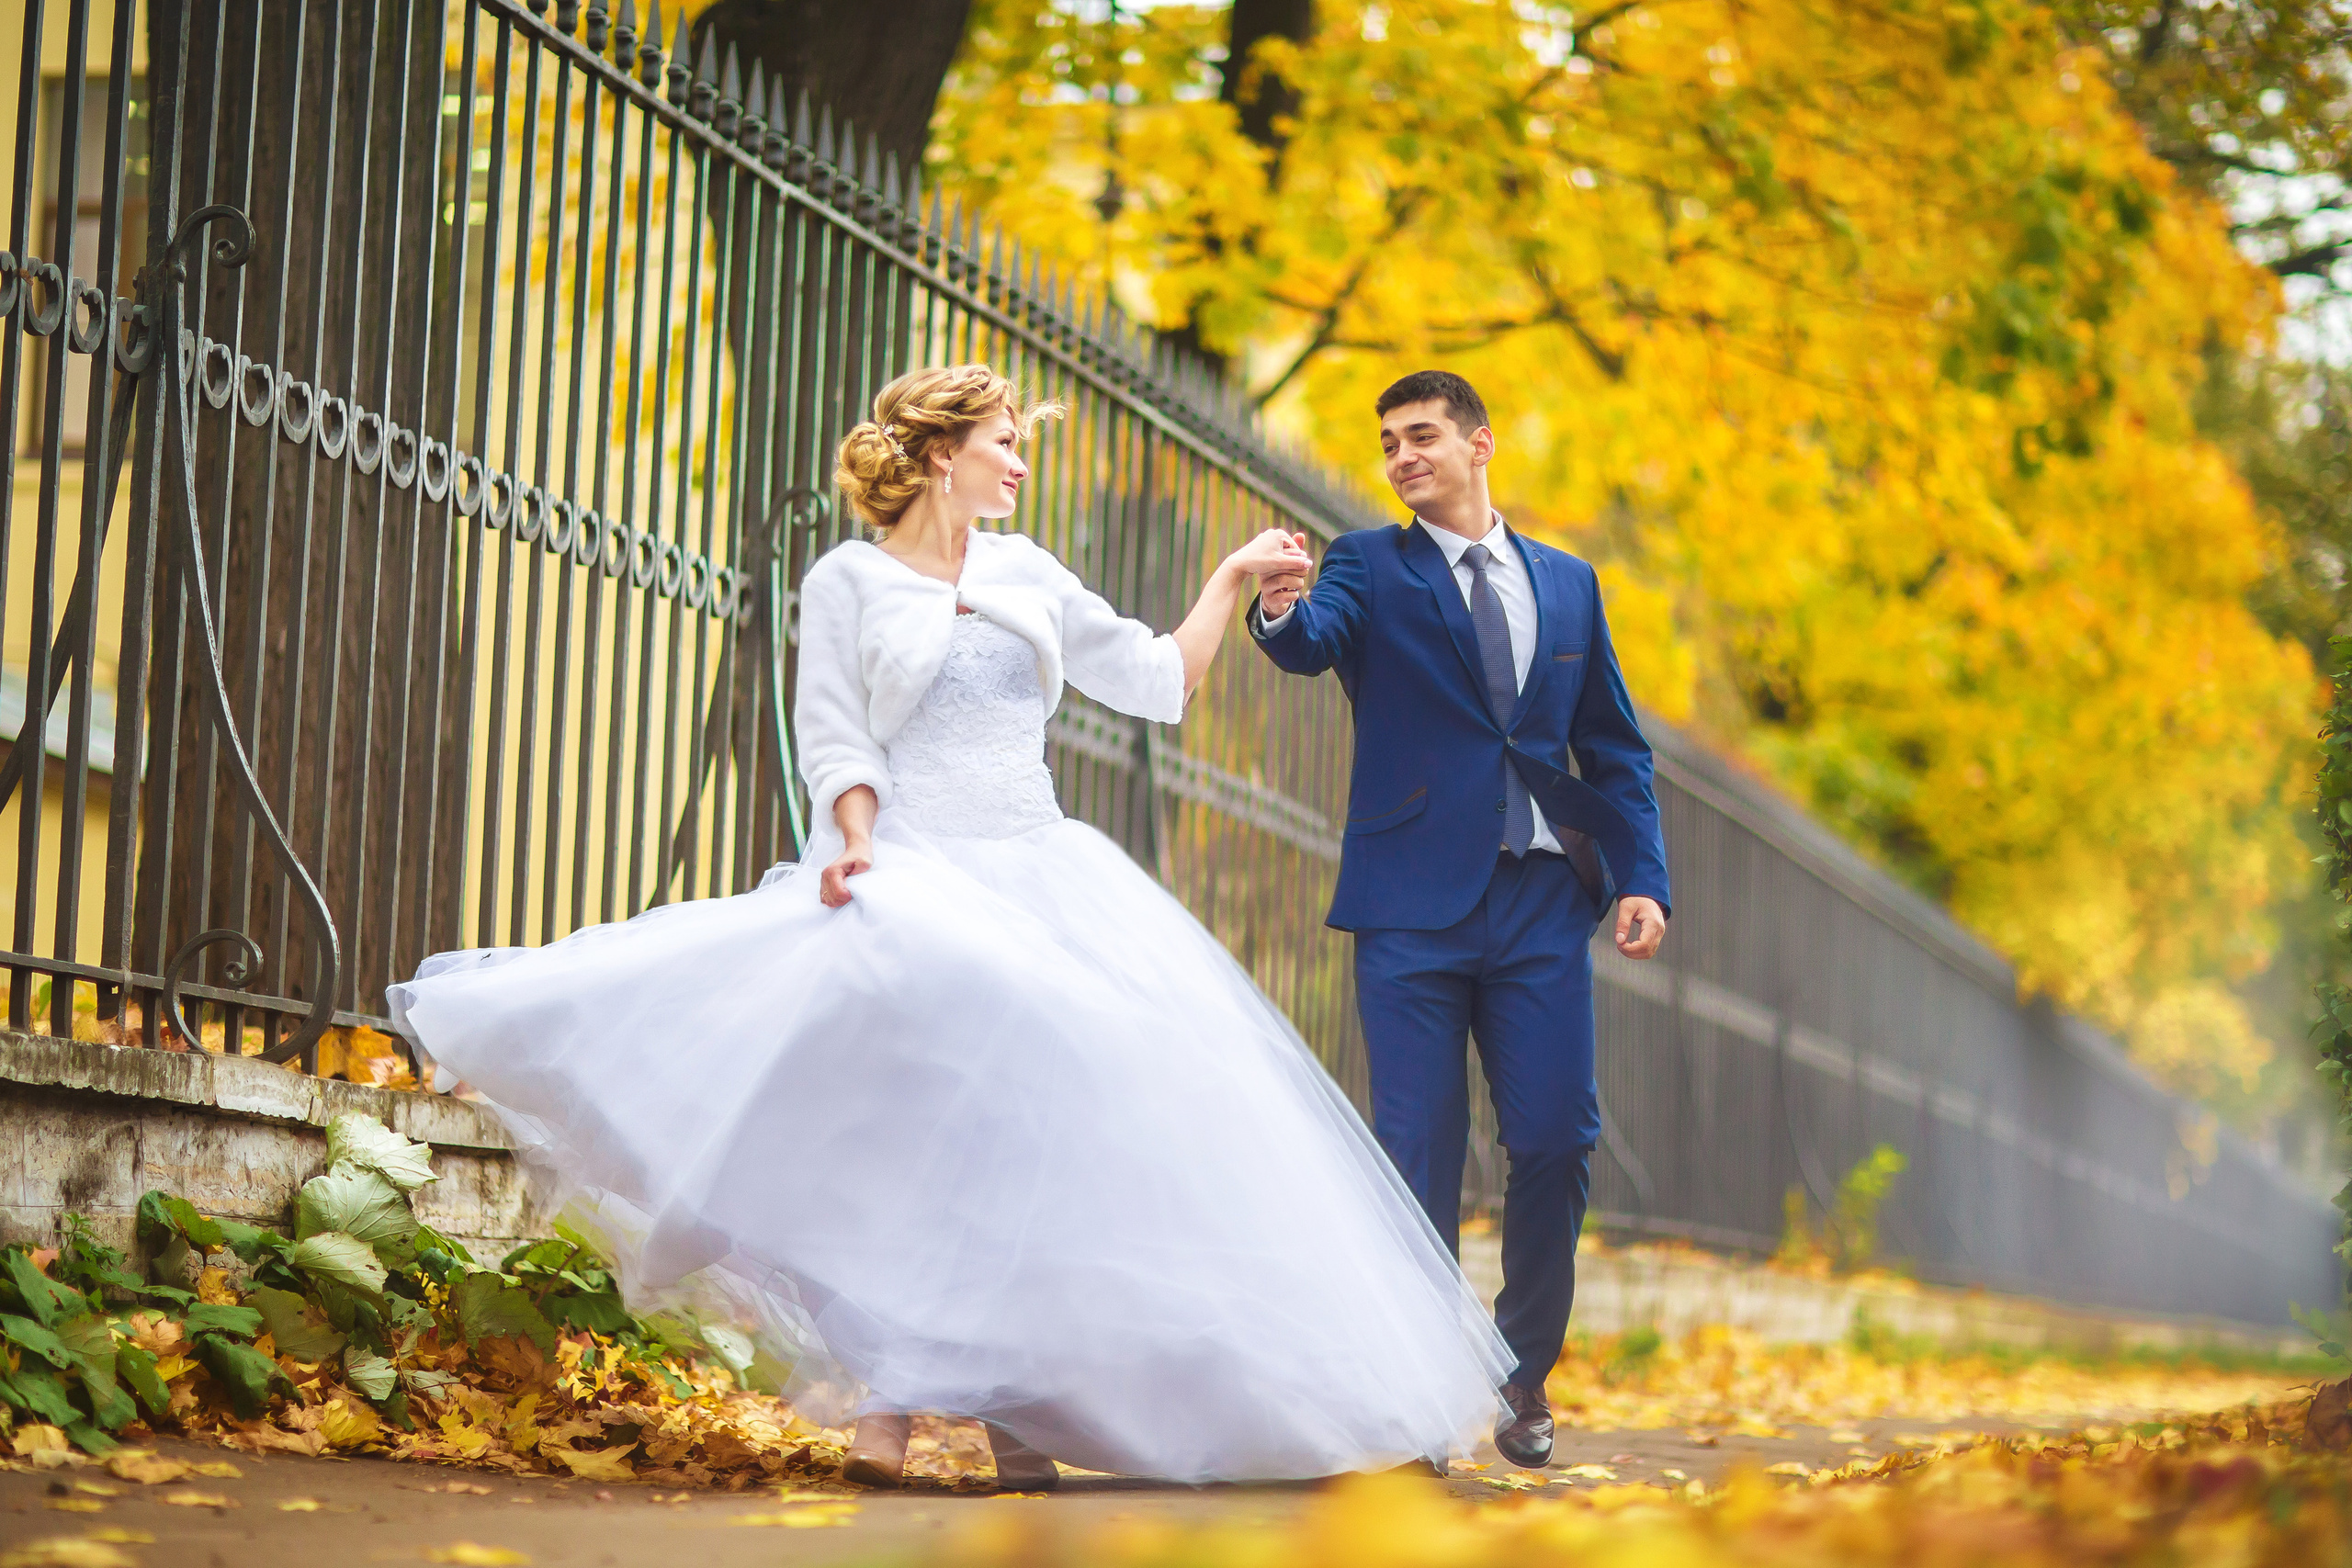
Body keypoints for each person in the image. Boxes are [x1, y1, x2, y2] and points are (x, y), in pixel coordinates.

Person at [388, 364, 1510, 1491]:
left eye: (1021, 444)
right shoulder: (848, 583)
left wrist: (1228, 579)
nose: (1020, 463)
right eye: (1003, 444)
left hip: (1039, 865)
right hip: (907, 863)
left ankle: (1000, 1404)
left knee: (1036, 1123)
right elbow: (833, 735)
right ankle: (900, 1408)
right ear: (941, 457)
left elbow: (1157, 679)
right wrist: (858, 839)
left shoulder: (1026, 570)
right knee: (932, 1127)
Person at [1246, 369, 1672, 1470]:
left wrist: (1640, 879)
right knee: (1415, 1153)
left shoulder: (1569, 584)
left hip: (1540, 902)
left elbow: (1614, 748)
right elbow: (1308, 643)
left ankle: (1519, 1371)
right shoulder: (1366, 567)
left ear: (1480, 443)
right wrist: (1279, 606)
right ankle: (1414, 1397)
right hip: (1408, 911)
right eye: (1388, 443)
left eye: (1422, 435)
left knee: (1553, 1143)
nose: (1401, 457)